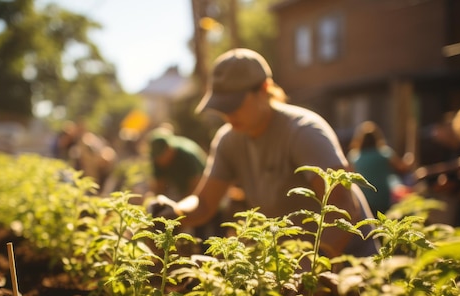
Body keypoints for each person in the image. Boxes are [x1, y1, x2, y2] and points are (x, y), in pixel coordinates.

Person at [153, 48, 377, 259]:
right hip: (291, 265)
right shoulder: (228, 140)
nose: (228, 115)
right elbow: (204, 203)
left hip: (347, 262)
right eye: (222, 106)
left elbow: (343, 206)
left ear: (264, 89)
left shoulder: (303, 131)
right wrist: (176, 211)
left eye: (234, 104)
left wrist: (315, 267)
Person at [347, 121, 413, 214]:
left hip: (364, 200)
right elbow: (403, 168)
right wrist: (409, 158)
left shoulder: (353, 157)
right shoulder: (384, 153)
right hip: (383, 199)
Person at [148, 124, 207, 201]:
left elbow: (196, 186)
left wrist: (180, 207)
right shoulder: (157, 159)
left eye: (161, 155)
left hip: (204, 184)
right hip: (181, 188)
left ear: (169, 149)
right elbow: (159, 186)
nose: (159, 160)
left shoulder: (187, 155)